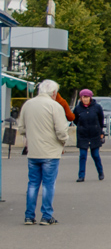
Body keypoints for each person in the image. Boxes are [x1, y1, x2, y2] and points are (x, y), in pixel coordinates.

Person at [18, 80, 69, 225]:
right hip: (50, 152)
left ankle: (29, 216)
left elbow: (21, 128)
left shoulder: (27, 105)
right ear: (53, 93)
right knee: (48, 184)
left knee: (33, 183)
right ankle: (46, 216)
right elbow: (61, 131)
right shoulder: (55, 106)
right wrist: (63, 142)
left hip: (33, 151)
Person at [73, 88, 106, 181]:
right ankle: (81, 176)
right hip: (83, 135)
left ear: (90, 98)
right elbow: (75, 120)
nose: (85, 99)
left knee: (95, 155)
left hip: (94, 135)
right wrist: (81, 127)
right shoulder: (78, 108)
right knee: (82, 156)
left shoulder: (97, 107)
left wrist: (100, 132)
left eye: (87, 97)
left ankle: (100, 172)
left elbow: (101, 120)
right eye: (83, 97)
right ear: (81, 98)